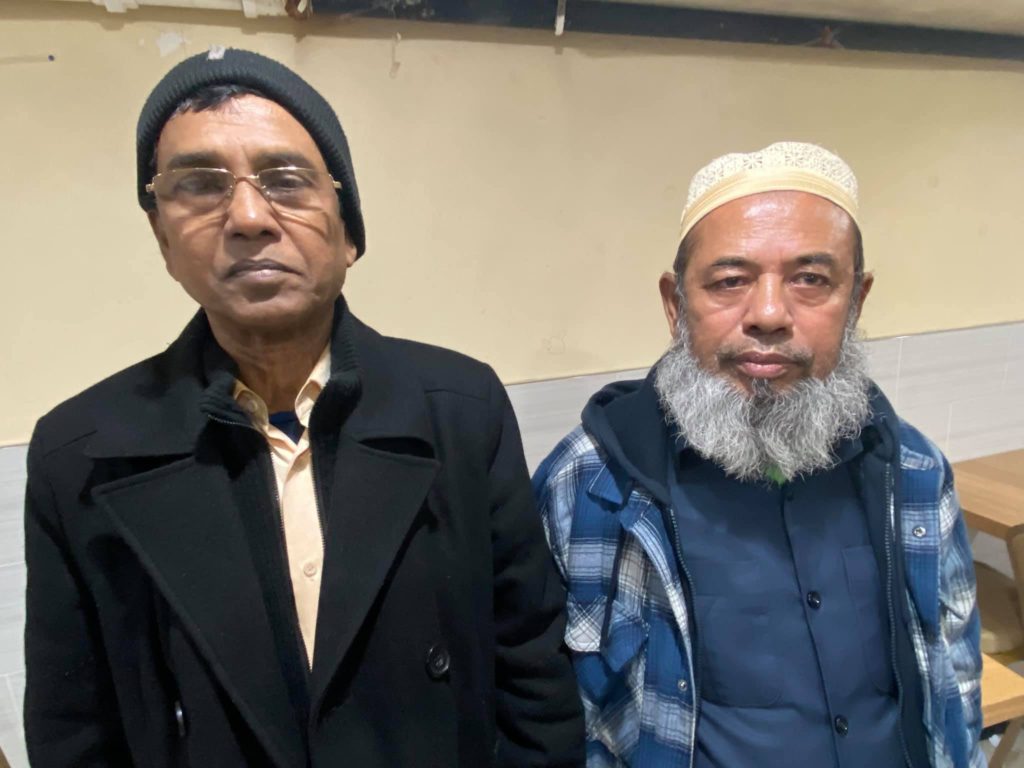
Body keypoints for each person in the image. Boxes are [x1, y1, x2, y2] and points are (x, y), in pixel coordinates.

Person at [24, 48, 583, 768]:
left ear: (349, 233)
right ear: (163, 238)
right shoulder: (80, 452)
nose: (248, 216)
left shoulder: (462, 408)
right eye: (200, 185)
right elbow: (74, 729)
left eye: (286, 180)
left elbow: (532, 671)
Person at [533, 142, 982, 767]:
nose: (769, 314)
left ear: (857, 301)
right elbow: (552, 720)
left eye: (810, 279)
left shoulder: (913, 472)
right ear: (674, 304)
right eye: (730, 281)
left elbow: (954, 679)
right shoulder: (590, 485)